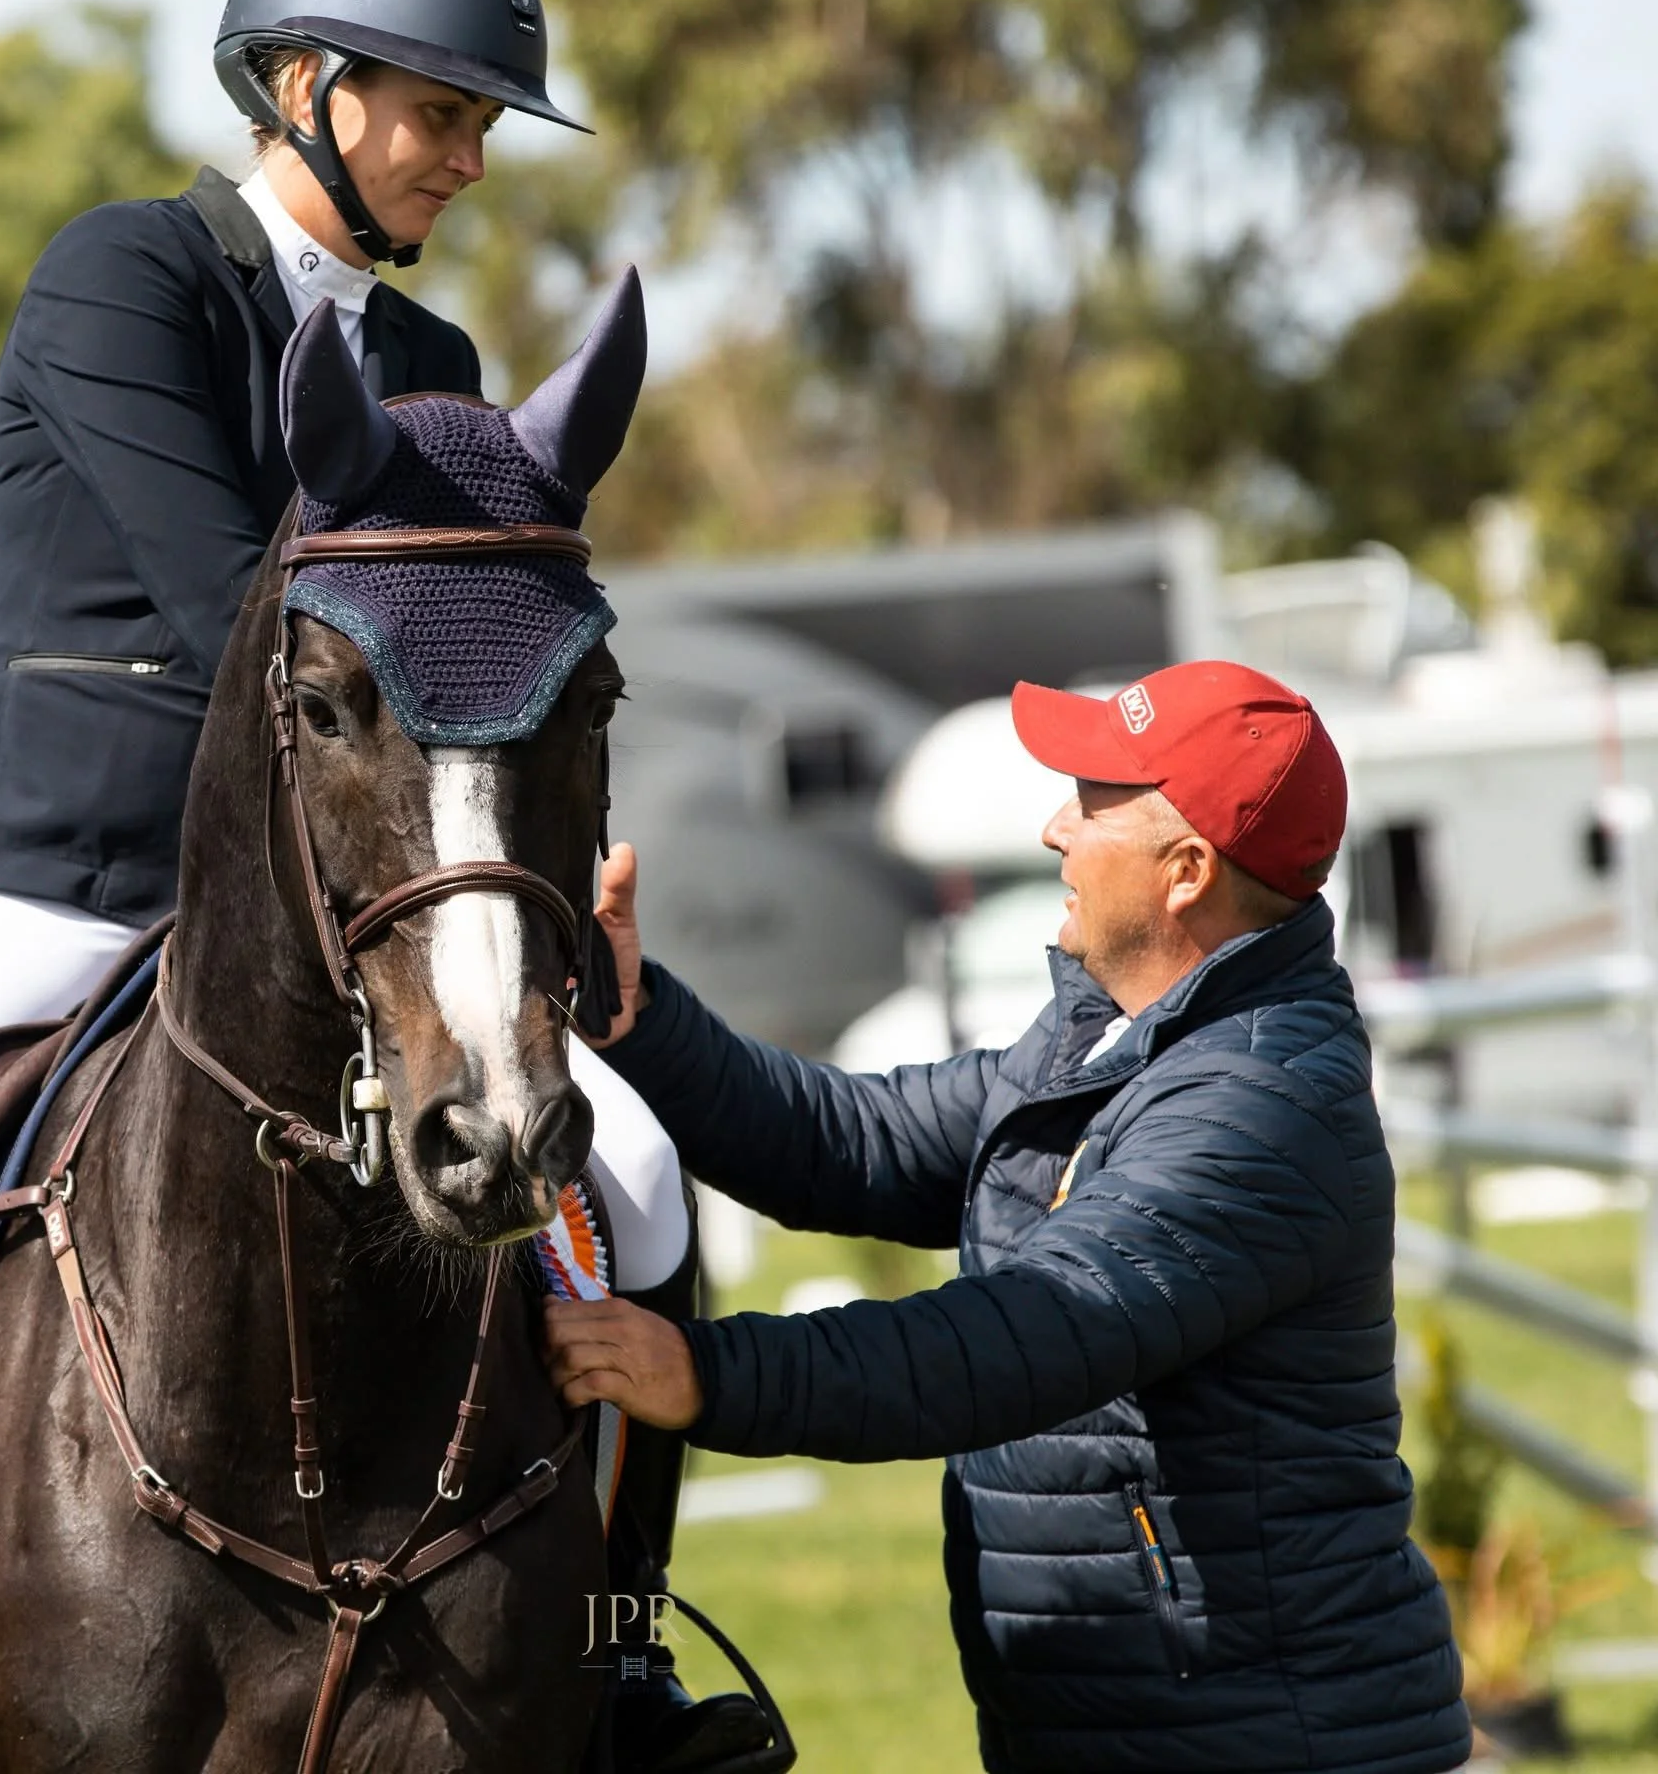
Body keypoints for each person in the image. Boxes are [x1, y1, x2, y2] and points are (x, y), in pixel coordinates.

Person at [0, 0, 761, 1774]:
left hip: (345, 893)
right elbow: (235, 619)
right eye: (433, 111)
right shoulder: (121, 276)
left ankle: (621, 1655)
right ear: (301, 88)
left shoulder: (432, 364)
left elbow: (455, 677)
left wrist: (507, 871)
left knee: (649, 1185)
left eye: (477, 124)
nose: (464, 156)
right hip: (53, 861)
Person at [547, 661, 1472, 1773]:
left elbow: (1017, 1336)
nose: (1050, 829)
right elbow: (860, 1143)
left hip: (1264, 1742)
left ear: (1184, 872)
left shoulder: (1258, 1102)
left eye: (1090, 805)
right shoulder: (1107, 1032)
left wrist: (707, 1372)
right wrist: (642, 1022)